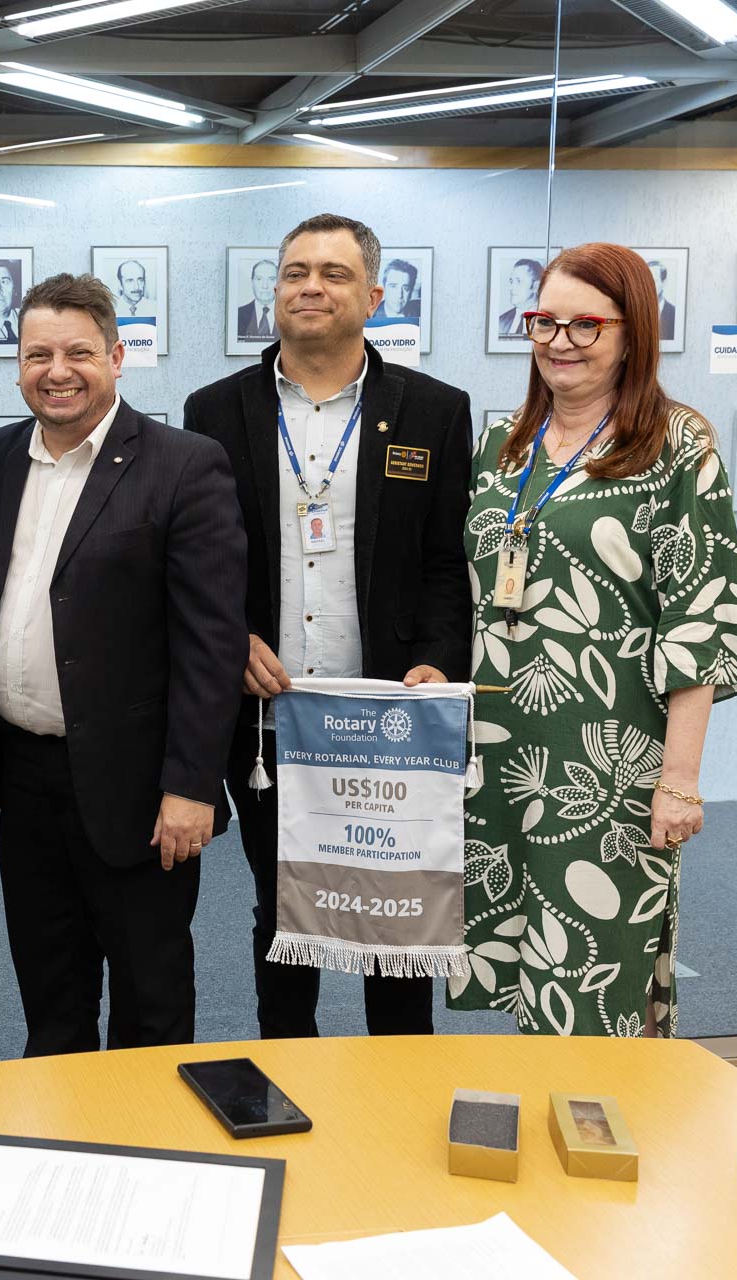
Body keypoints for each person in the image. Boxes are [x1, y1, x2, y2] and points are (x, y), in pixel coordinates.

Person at [448, 241, 737, 1037]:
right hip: (499, 753)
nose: (560, 341)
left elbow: (700, 620)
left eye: (586, 324)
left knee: (593, 973)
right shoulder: (501, 444)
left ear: (633, 332)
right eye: (544, 321)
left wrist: (680, 781)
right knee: (525, 966)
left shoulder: (677, 446)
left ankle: (595, 1113)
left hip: (607, 761)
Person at [184, 213, 473, 1039]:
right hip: (271, 720)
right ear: (274, 291)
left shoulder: (433, 411)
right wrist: (230, 639)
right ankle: (288, 1072)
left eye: (334, 273)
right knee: (282, 910)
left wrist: (437, 661)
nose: (311, 286)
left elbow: (448, 561)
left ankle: (402, 1080)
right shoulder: (215, 410)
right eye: (295, 272)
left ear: (374, 297)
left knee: (396, 914)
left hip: (391, 716)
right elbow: (198, 560)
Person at [0, 274, 246, 1055]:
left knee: (150, 1000)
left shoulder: (184, 465)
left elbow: (213, 645)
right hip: (24, 776)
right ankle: (61, 1126)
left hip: (140, 787)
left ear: (116, 357)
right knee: (51, 995)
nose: (58, 371)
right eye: (37, 354)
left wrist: (191, 785)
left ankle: (146, 1133)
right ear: (18, 365)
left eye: (78, 352)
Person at [496, 257, 545, 338]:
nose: (511, 287)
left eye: (518, 281)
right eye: (511, 281)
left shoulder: (547, 320)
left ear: (535, 286)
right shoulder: (501, 321)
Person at [237, 259, 278, 339]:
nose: (265, 286)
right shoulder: (239, 314)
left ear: (278, 282)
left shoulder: (289, 315)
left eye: (271, 279)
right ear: (252, 282)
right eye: (259, 279)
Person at [647, 259, 677, 342]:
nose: (649, 286)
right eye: (646, 281)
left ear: (664, 282)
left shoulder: (674, 313)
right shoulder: (635, 312)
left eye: (654, 281)